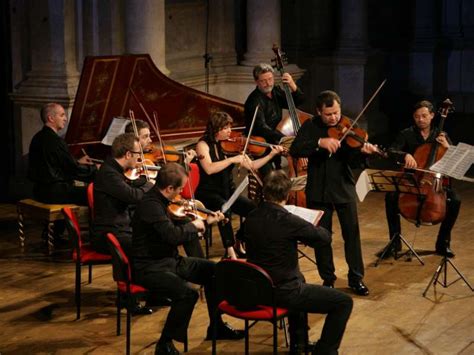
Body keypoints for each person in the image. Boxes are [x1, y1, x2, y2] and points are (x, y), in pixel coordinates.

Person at [132, 163, 245, 355]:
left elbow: (177, 229)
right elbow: (173, 236)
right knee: (187, 294)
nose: (180, 195)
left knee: (214, 271)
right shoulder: (150, 206)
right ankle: (164, 344)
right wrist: (194, 226)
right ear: (169, 188)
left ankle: (216, 326)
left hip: (169, 261)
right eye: (179, 190)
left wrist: (206, 221)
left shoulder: (161, 200)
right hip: (150, 267)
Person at [244, 170, 353, 354]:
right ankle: (325, 351)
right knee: (343, 302)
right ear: (287, 194)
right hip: (281, 292)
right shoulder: (289, 220)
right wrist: (308, 225)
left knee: (298, 278)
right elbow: (324, 238)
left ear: (265, 192)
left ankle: (299, 342)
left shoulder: (251, 217)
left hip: (256, 289)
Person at [289, 90, 379, 296]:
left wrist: (363, 153)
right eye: (329, 114)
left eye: (336, 113)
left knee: (352, 236)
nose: (334, 118)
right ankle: (328, 279)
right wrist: (320, 143)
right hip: (318, 190)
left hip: (343, 188)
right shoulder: (310, 127)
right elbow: (296, 149)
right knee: (322, 238)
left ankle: (356, 279)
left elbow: (354, 162)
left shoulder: (348, 129)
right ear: (319, 111)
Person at [195, 111, 285, 259]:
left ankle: (239, 238)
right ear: (216, 129)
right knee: (224, 207)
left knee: (254, 210)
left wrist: (270, 155)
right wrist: (231, 160)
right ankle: (230, 252)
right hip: (208, 192)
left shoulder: (230, 145)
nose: (230, 131)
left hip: (228, 190)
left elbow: (253, 166)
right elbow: (209, 169)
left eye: (230, 127)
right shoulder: (202, 144)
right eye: (226, 128)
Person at [384, 100, 461, 258]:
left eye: (424, 116)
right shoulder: (406, 134)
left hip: (435, 184)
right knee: (391, 197)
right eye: (417, 116)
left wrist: (447, 146)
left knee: (455, 200)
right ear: (414, 117)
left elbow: (454, 160)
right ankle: (394, 242)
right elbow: (391, 150)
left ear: (432, 116)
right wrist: (405, 154)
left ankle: (443, 243)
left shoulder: (441, 135)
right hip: (413, 180)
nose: (420, 119)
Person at [91, 133, 155, 256]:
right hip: (108, 235)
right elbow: (133, 196)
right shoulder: (109, 174)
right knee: (149, 248)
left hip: (121, 229)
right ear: (128, 154)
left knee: (157, 238)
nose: (139, 158)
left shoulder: (116, 171)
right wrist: (150, 184)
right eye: (138, 154)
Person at [28, 102, 97, 205]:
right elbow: (73, 169)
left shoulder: (37, 137)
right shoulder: (55, 141)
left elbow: (53, 164)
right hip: (56, 192)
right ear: (51, 118)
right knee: (98, 195)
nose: (65, 119)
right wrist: (95, 168)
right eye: (62, 115)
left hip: (39, 190)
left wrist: (77, 162)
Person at [244, 63, 304, 173]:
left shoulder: (275, 91)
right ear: (256, 82)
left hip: (275, 141)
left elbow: (296, 102)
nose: (268, 84)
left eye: (270, 79)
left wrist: (292, 84)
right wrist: (283, 138)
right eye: (263, 81)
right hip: (260, 146)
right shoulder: (253, 101)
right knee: (269, 178)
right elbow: (261, 128)